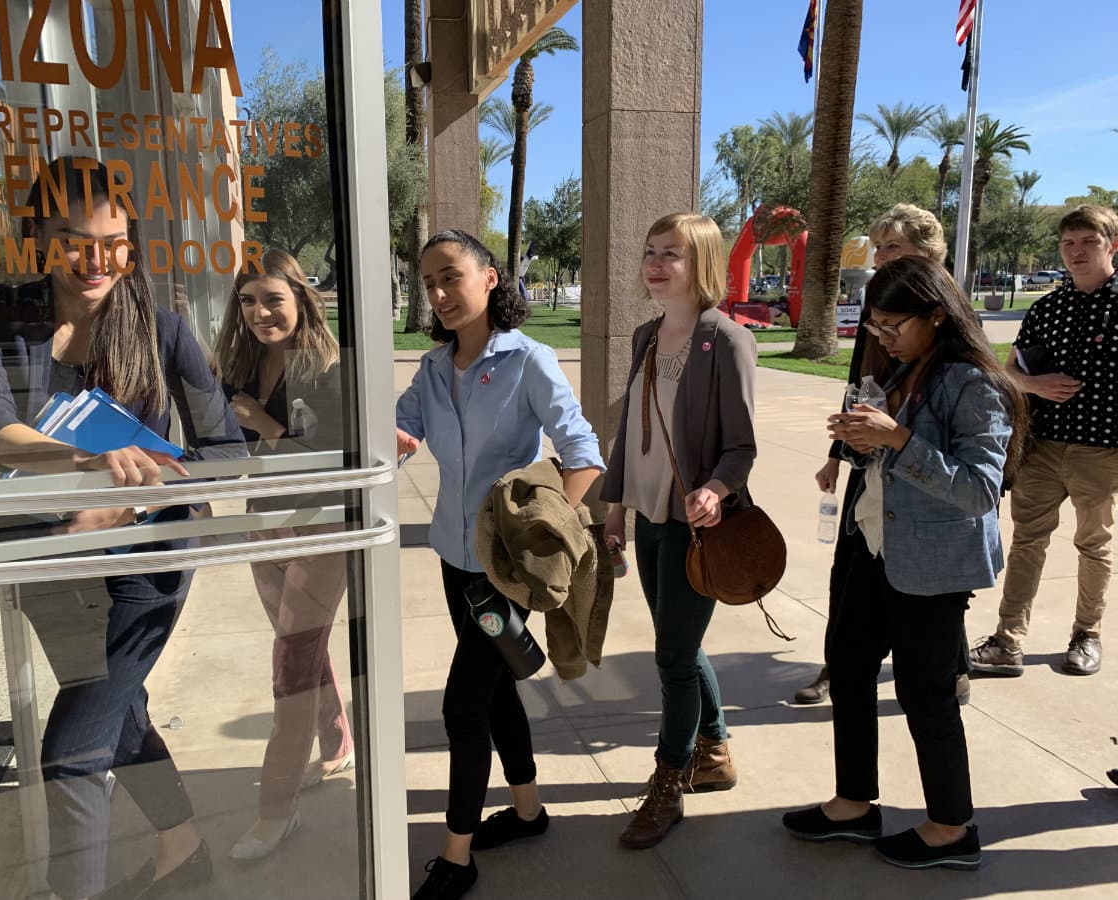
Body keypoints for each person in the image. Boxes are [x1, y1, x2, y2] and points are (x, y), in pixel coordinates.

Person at [0, 157, 245, 899]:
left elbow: (225, 454)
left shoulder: (163, 327)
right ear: (36, 237)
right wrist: (82, 460)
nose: (96, 259)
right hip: (56, 563)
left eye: (114, 240)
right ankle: (184, 847)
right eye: (73, 239)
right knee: (121, 711)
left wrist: (138, 497)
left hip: (146, 570)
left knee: (73, 753)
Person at [782, 256, 1027, 870]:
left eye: (894, 326)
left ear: (937, 315)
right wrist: (852, 443)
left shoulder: (974, 384)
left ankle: (951, 826)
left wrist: (898, 440)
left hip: (931, 567)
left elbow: (977, 490)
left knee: (927, 695)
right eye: (876, 327)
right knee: (850, 670)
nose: (883, 338)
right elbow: (882, 450)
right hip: (868, 548)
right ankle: (853, 804)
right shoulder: (897, 368)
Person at [395, 229, 604, 900]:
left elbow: (584, 454)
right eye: (429, 282)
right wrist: (389, 440)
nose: (439, 292)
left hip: (500, 573)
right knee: (497, 687)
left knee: (463, 706)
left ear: (489, 277)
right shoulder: (431, 370)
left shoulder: (528, 361)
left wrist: (541, 536)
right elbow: (399, 433)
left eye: (451, 276)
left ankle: (457, 856)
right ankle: (527, 811)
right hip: (453, 562)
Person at [600, 212, 757, 849]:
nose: (657, 264)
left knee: (671, 654)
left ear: (704, 263)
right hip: (649, 518)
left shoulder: (725, 339)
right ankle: (714, 749)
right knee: (679, 645)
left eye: (674, 254)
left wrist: (716, 490)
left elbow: (742, 446)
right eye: (650, 251)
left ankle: (668, 781)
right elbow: (628, 432)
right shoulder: (644, 334)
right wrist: (614, 506)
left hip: (697, 527)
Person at [797, 203, 973, 707]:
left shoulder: (949, 314)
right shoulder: (878, 302)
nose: (880, 256)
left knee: (937, 584)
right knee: (850, 565)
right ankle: (839, 665)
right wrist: (837, 451)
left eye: (892, 246)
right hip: (871, 457)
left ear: (927, 251)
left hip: (928, 474)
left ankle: (952, 666)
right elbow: (858, 386)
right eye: (878, 246)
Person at [213, 248, 355, 860]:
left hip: (320, 529)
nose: (260, 312)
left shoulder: (328, 366)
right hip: (263, 523)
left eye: (273, 298)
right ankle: (337, 737)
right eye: (248, 301)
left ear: (300, 297)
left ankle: (275, 810)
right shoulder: (239, 367)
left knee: (291, 664)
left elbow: (337, 454)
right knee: (302, 645)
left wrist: (262, 426)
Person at [970, 205, 1118, 677]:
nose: (1076, 252)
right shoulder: (1047, 307)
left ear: (1111, 246)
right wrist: (1036, 386)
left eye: (1088, 242)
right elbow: (1008, 370)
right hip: (1042, 446)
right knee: (1027, 542)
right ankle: (1007, 641)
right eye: (1068, 244)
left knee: (1094, 544)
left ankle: (1086, 635)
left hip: (1101, 450)